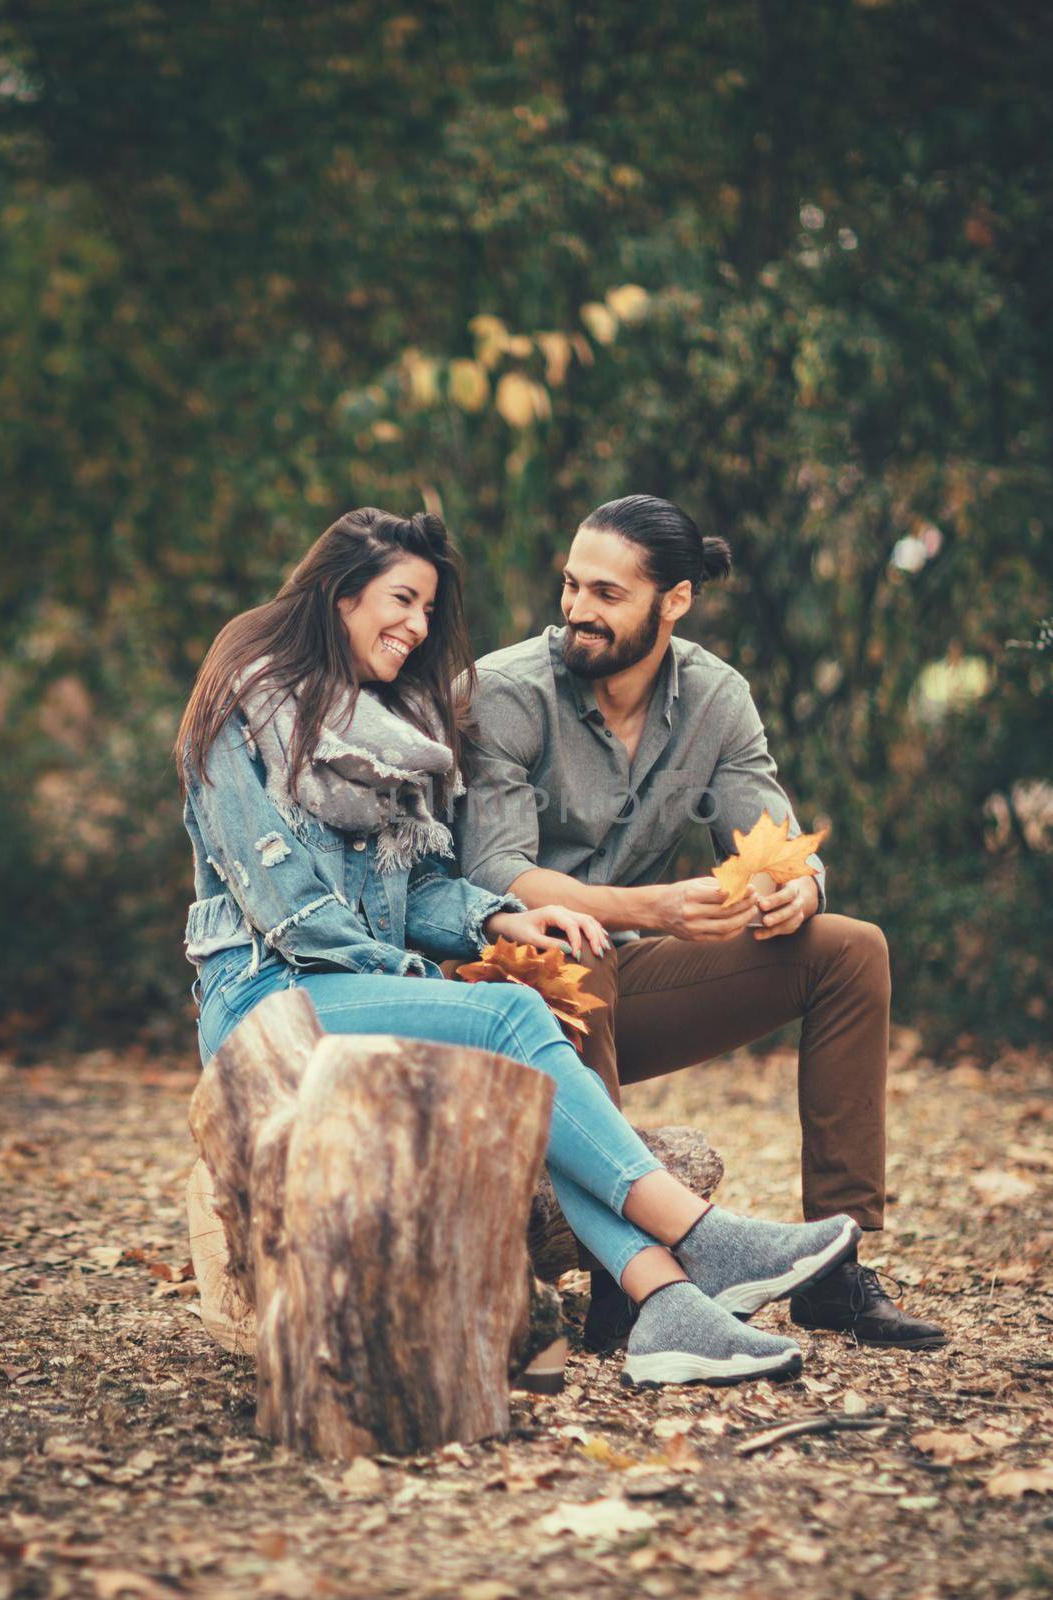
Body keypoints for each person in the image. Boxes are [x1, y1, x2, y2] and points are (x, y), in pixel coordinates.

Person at [175, 505, 861, 1390]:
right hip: (264, 1000)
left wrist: (498, 919)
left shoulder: (393, 732)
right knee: (503, 1012)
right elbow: (289, 910)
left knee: (521, 1011)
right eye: (401, 601)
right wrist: (428, 977)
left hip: (358, 996)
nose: (418, 628)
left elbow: (418, 884)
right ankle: (698, 1236)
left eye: (428, 609)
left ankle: (662, 1302)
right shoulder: (240, 709)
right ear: (341, 596)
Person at [454, 494, 946, 1354]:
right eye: (571, 586)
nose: (576, 610)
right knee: (575, 941)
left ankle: (834, 1269)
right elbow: (494, 871)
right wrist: (649, 907)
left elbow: (773, 842)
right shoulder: (505, 692)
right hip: (508, 999)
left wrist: (798, 886)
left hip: (623, 991)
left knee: (848, 951)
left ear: (672, 601)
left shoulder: (716, 698)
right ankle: (633, 1278)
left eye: (606, 594)